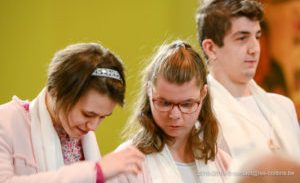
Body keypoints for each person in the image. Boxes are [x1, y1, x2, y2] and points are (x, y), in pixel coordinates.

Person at [0, 43, 145, 182]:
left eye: (102, 117)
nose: (93, 127)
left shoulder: (83, 136)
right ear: (56, 91)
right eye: (87, 114)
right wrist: (96, 171)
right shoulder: (5, 121)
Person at [195, 0, 300, 159]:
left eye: (257, 37)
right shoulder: (198, 115)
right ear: (211, 48)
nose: (255, 48)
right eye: (242, 38)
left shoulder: (283, 107)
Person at [108, 41, 231, 183]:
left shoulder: (222, 163)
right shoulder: (125, 163)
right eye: (164, 103)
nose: (174, 115)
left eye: (186, 104)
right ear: (149, 91)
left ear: (203, 94)